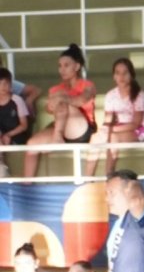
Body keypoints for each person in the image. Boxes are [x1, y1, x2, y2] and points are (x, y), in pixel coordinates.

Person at [23, 44, 96, 180]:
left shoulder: (87, 85)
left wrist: (62, 98)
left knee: (61, 96)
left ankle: (57, 138)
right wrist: (55, 102)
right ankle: (26, 185)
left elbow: (81, 100)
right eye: (60, 66)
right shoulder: (55, 89)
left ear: (77, 66)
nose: (62, 69)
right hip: (62, 130)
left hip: (81, 130)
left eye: (66, 65)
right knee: (31, 144)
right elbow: (49, 108)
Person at [86, 57, 144, 177]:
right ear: (114, 76)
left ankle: (109, 177)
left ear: (131, 75)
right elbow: (108, 119)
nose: (121, 76)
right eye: (118, 73)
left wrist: (112, 129)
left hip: (137, 131)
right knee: (95, 138)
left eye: (125, 73)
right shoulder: (111, 95)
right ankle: (87, 180)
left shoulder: (138, 95)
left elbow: (136, 123)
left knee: (113, 138)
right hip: (116, 129)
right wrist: (105, 129)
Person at [0, 67, 30, 177]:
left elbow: (24, 125)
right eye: (0, 84)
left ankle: (3, 172)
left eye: (6, 83)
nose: (3, 87)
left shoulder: (17, 100)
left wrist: (9, 135)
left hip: (17, 136)